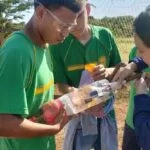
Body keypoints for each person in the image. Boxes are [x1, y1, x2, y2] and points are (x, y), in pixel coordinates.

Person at [0, 0, 85, 150]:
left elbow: (32, 99)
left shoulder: (44, 45)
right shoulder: (17, 52)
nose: (66, 33)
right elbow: (4, 123)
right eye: (63, 25)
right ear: (40, 12)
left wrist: (68, 102)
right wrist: (54, 129)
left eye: (70, 26)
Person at [50, 1, 121, 150]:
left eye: (78, 15)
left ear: (87, 10)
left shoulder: (105, 36)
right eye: (67, 19)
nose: (73, 23)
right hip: (78, 115)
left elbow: (120, 70)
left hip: (105, 112)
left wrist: (107, 71)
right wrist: (80, 98)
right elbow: (60, 84)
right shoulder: (58, 45)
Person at [113, 5, 150, 150]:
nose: (137, 55)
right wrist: (132, 66)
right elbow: (140, 61)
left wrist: (141, 94)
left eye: (141, 50)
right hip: (133, 122)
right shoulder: (139, 56)